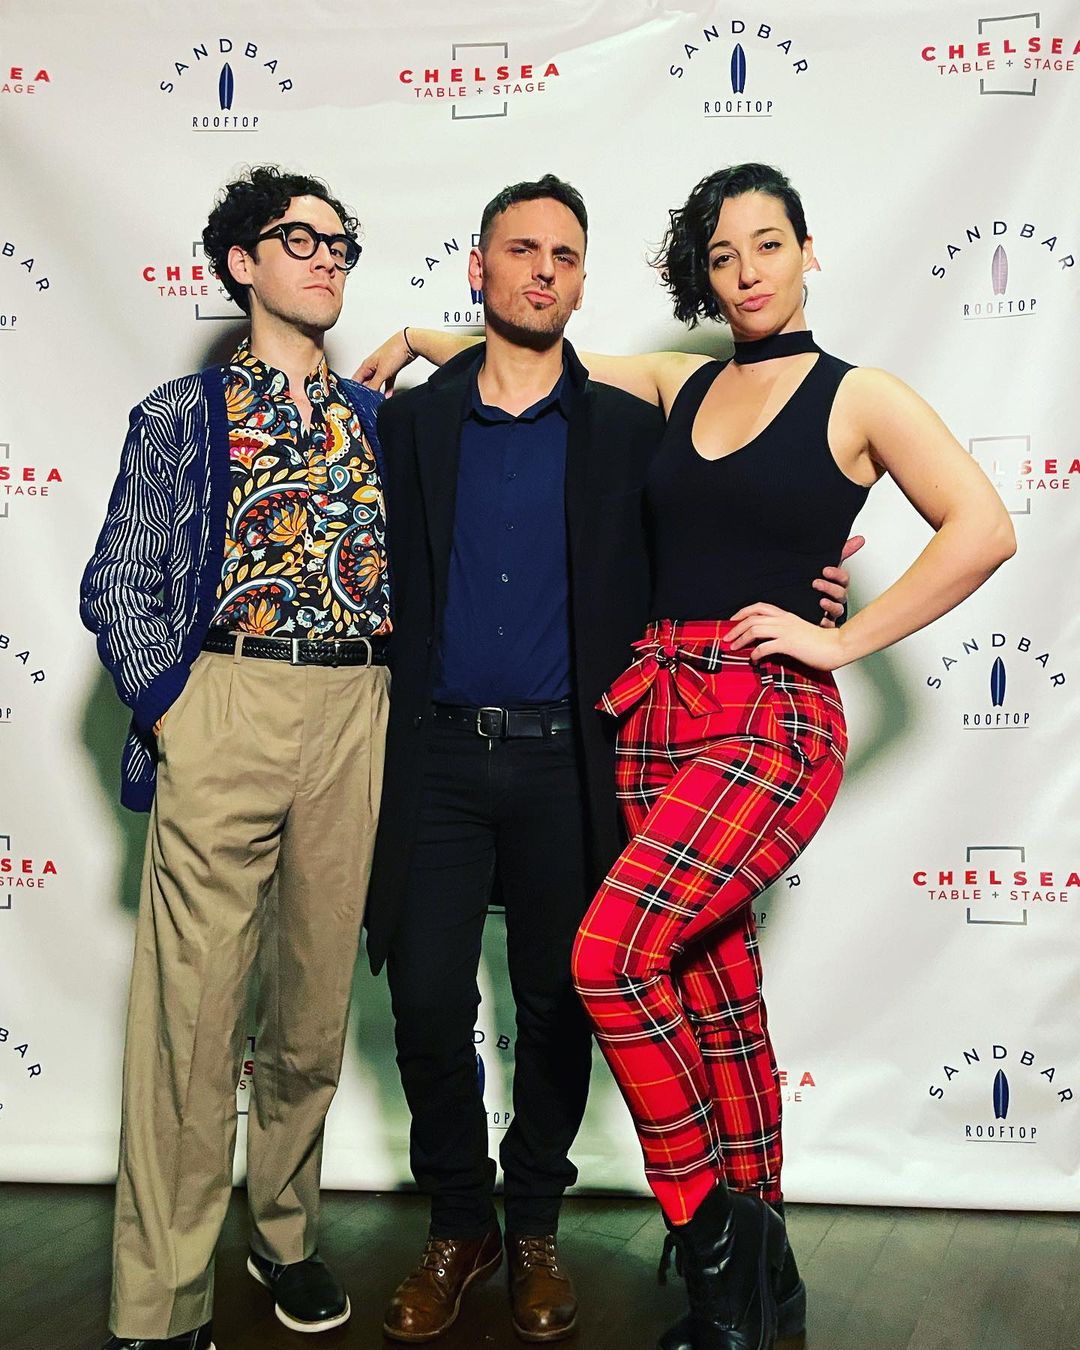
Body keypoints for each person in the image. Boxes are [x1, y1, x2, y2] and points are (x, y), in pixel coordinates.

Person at [361, 161, 1014, 1350]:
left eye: (768, 244)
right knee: (717, 997)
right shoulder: (679, 383)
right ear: (703, 278)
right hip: (655, 714)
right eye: (723, 255)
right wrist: (414, 335)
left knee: (609, 959)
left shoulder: (860, 393)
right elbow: (533, 355)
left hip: (768, 715)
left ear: (808, 252)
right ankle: (764, 1283)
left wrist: (841, 637)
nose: (747, 271)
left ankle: (709, 1242)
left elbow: (984, 527)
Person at [81, 165, 389, 1350]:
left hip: (357, 705)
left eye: (339, 241)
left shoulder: (382, 422)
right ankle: (160, 1302)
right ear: (241, 264)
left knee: (312, 1008)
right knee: (193, 1017)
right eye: (298, 238)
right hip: (228, 699)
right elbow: (121, 579)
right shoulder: (181, 414)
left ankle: (287, 1233)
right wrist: (175, 708)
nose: (326, 256)